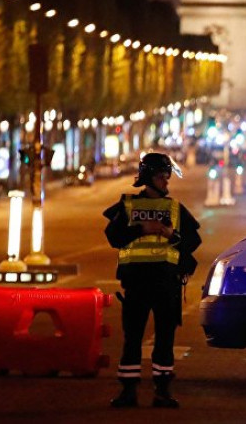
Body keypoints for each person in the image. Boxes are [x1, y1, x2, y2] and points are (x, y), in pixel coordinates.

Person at [104, 152, 201, 409]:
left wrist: (172, 235)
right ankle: (128, 392)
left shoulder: (174, 208)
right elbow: (113, 237)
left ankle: (162, 391)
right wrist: (141, 229)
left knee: (165, 338)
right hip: (137, 282)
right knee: (133, 337)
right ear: (149, 177)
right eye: (161, 176)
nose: (166, 182)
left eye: (167, 176)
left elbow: (193, 242)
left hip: (165, 282)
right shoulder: (128, 206)